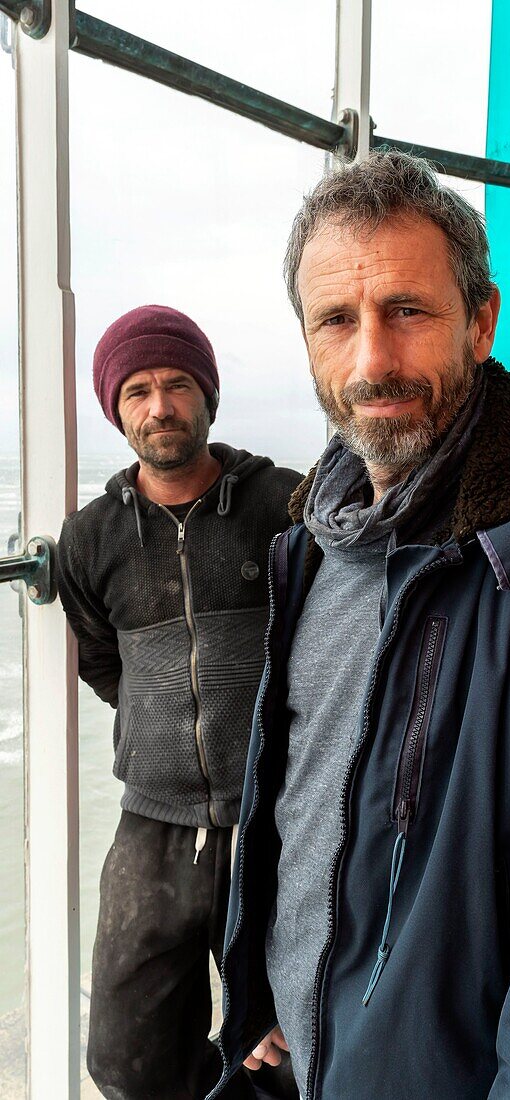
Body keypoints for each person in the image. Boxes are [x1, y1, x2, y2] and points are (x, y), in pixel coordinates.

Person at [210, 153, 510, 1100]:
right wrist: (271, 990)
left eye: (408, 312)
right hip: (304, 1060)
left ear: (480, 322)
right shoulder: (313, 540)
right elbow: (306, 810)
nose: (371, 361)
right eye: (336, 321)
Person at [56, 304, 301, 1100]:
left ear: (208, 395)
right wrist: (160, 731)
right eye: (136, 391)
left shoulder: (283, 509)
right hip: (153, 822)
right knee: (124, 1056)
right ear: (115, 409)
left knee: (287, 1038)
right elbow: (101, 660)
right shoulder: (89, 541)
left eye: (175, 384)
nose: (159, 406)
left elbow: (327, 647)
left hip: (273, 815)